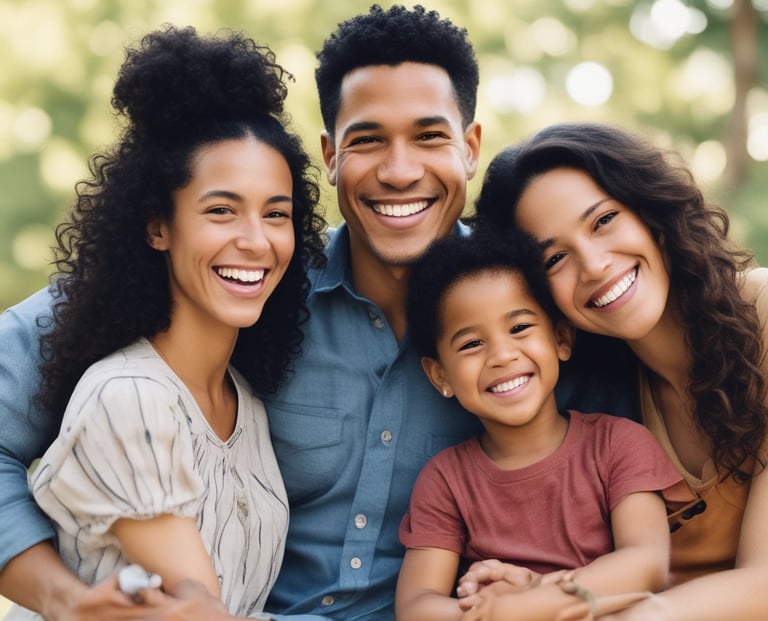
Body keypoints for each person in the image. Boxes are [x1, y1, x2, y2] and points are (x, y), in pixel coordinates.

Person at [0, 7, 634, 621]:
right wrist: (63, 599)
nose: (400, 169)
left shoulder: (535, 306)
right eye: (368, 141)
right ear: (330, 156)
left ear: (470, 147)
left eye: (429, 136)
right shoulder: (248, 282)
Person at [1, 25, 326, 621]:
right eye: (221, 210)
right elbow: (198, 607)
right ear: (158, 228)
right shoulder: (130, 397)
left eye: (276, 214)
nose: (255, 240)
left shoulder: (247, 407)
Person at [465, 122, 768, 620]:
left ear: (651, 212)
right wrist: (545, 589)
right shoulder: (600, 406)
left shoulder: (759, 315)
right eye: (556, 258)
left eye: (603, 221)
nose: (594, 264)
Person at [395, 228, 688, 621]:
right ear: (440, 376)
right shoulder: (445, 480)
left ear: (561, 339)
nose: (501, 355)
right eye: (471, 344)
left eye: (519, 328)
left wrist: (530, 601)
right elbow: (416, 607)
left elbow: (646, 564)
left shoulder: (618, 445)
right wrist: (490, 614)